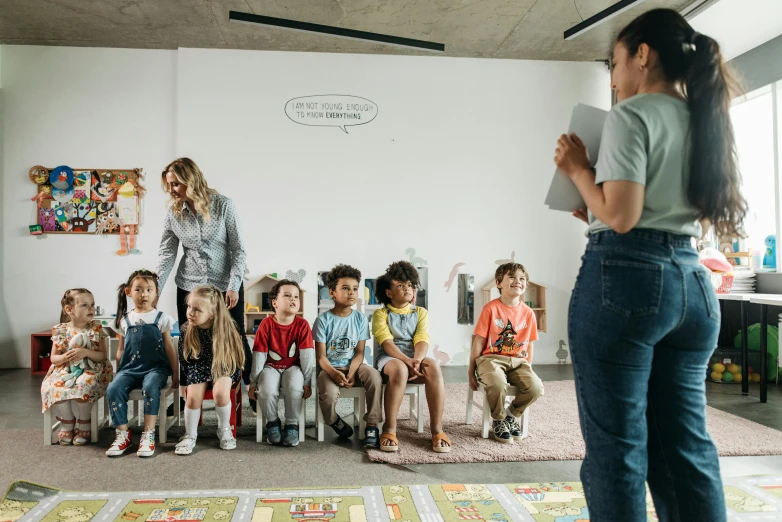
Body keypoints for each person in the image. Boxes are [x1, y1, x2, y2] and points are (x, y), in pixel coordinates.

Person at [553, 8, 747, 521]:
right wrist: (593, 207)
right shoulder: (704, 118)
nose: (614, 79)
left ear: (643, 55)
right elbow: (661, 213)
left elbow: (622, 216)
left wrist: (578, 171)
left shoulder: (630, 115)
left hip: (626, 283)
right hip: (693, 286)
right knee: (686, 447)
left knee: (617, 450)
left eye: (615, 63)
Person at [156, 157, 254, 411]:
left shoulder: (224, 206)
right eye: (169, 184)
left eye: (176, 183)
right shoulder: (174, 213)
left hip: (225, 284)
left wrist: (233, 285)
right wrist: (155, 289)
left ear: (191, 179)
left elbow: (239, 250)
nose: (172, 189)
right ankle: (185, 395)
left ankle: (251, 388)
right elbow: (167, 254)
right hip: (190, 284)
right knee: (190, 338)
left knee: (236, 336)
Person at [372, 261, 451, 453]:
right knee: (399, 369)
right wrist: (406, 361)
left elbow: (422, 339)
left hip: (415, 356)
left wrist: (416, 360)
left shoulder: (421, 313)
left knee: (432, 365)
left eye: (409, 285)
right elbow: (386, 342)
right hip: (389, 359)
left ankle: (436, 429)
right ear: (389, 292)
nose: (407, 288)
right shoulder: (380, 313)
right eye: (400, 285)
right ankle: (390, 429)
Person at [105, 270, 178, 458]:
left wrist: (176, 373)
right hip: (129, 369)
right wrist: (119, 374)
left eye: (148, 290)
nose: (144, 294)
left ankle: (148, 433)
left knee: (151, 386)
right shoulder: (124, 320)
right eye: (138, 289)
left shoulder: (162, 318)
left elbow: (170, 348)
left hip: (156, 369)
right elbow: (120, 350)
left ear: (156, 293)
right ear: (129, 292)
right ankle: (122, 434)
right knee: (113, 389)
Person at [469, 262, 543, 444]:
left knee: (536, 388)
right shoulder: (491, 309)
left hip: (518, 361)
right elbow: (478, 341)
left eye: (522, 278)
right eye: (512, 277)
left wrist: (528, 369)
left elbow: (530, 344)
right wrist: (471, 372)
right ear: (498, 283)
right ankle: (499, 419)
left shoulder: (528, 313)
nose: (518, 281)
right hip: (490, 359)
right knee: (497, 383)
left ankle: (511, 415)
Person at [313, 264, 383, 448]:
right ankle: (334, 420)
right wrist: (335, 374)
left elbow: (359, 353)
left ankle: (372, 425)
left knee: (375, 376)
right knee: (328, 394)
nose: (351, 293)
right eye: (345, 288)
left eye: (354, 289)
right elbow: (320, 357)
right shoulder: (322, 321)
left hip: (355, 366)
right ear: (332, 292)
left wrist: (351, 373)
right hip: (329, 368)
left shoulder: (360, 319)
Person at [175, 285, 245, 455]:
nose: (190, 312)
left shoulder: (227, 327)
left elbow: (236, 353)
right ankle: (190, 434)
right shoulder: (187, 328)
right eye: (189, 307)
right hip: (198, 366)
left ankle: (224, 428)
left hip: (223, 364)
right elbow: (184, 358)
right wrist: (184, 382)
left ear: (212, 313)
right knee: (192, 397)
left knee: (220, 393)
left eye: (197, 309)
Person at [41, 288, 112, 446]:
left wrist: (86, 352)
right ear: (69, 310)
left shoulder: (96, 329)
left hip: (91, 368)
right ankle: (68, 421)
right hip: (65, 369)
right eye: (85, 305)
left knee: (83, 385)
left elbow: (102, 356)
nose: (92, 308)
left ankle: (84, 422)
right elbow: (54, 358)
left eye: (92, 304)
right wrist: (64, 357)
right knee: (52, 387)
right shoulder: (61, 330)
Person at [249, 279, 314, 447]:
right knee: (267, 390)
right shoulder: (266, 325)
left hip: (294, 367)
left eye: (296, 296)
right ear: (274, 302)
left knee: (294, 388)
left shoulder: (303, 325)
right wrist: (254, 382)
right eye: (287, 295)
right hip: (270, 367)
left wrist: (307, 382)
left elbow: (307, 357)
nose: (293, 299)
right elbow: (259, 356)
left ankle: (292, 424)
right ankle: (272, 422)